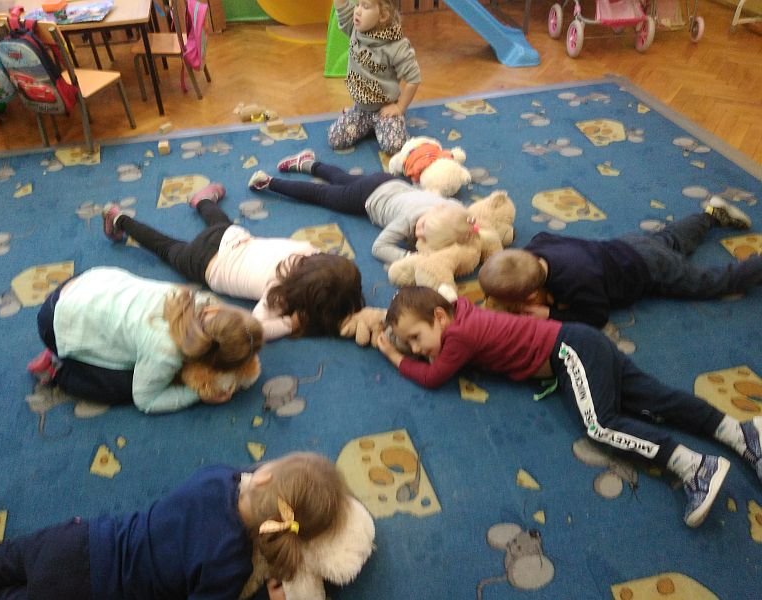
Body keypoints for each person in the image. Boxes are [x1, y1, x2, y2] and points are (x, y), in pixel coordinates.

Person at [376, 286, 762, 528]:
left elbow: (433, 376)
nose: (417, 348)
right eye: (410, 344)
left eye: (417, 338)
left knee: (600, 426)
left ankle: (694, 466)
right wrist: (408, 333)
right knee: (653, 397)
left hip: (567, 353)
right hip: (580, 340)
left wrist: (394, 355)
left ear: (439, 316)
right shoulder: (460, 311)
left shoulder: (459, 336)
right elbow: (437, 336)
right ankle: (741, 432)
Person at [0, 452, 355, 600]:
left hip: (78, 539)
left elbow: (244, 478)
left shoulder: (217, 477)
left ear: (264, 475)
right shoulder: (231, 564)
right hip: (91, 592)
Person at [101, 182, 365, 341]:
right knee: (166, 247)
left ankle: (203, 201)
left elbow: (332, 274)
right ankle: (120, 219)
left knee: (219, 222)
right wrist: (289, 324)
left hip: (232, 237)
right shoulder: (279, 292)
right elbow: (256, 327)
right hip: (207, 264)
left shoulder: (309, 250)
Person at [478, 196, 761, 328]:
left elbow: (596, 316)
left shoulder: (576, 283)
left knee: (709, 283)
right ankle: (711, 214)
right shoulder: (535, 248)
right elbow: (543, 236)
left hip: (648, 270)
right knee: (671, 239)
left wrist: (551, 315)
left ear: (531, 296)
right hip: (627, 245)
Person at [26, 266, 263, 414]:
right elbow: (146, 400)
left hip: (85, 282)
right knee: (125, 387)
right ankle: (58, 370)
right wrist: (199, 394)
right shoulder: (166, 352)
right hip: (53, 324)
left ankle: (78, 348)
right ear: (208, 361)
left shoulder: (201, 300)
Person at [248, 151, 477, 265]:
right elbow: (379, 247)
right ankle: (268, 182)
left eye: (424, 235)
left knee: (341, 178)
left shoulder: (449, 209)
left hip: (387, 180)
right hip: (366, 198)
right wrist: (412, 257)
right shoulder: (407, 220)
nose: (418, 231)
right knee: (321, 194)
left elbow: (465, 217)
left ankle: (308, 162)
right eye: (422, 226)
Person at [329, 0, 421, 153]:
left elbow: (414, 78)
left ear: (383, 15)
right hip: (360, 109)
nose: (357, 11)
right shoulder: (354, 28)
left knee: (395, 146)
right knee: (335, 139)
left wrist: (399, 107)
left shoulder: (396, 45)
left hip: (384, 110)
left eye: (365, 6)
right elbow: (341, 6)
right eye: (357, 4)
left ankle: (386, 124)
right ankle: (369, 127)